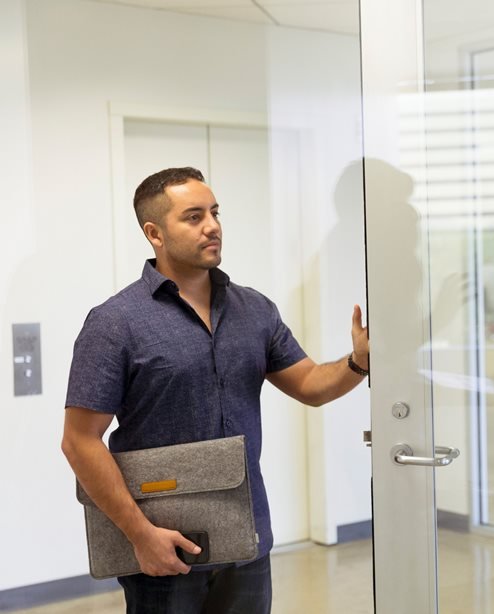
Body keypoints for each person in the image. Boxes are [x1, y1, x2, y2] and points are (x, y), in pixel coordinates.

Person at [61, 167, 369, 613]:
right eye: (193, 217)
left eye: (215, 213)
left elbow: (310, 384)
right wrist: (140, 535)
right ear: (154, 233)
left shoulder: (255, 309)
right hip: (163, 545)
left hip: (247, 539)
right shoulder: (115, 323)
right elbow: (79, 441)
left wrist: (358, 361)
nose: (212, 226)